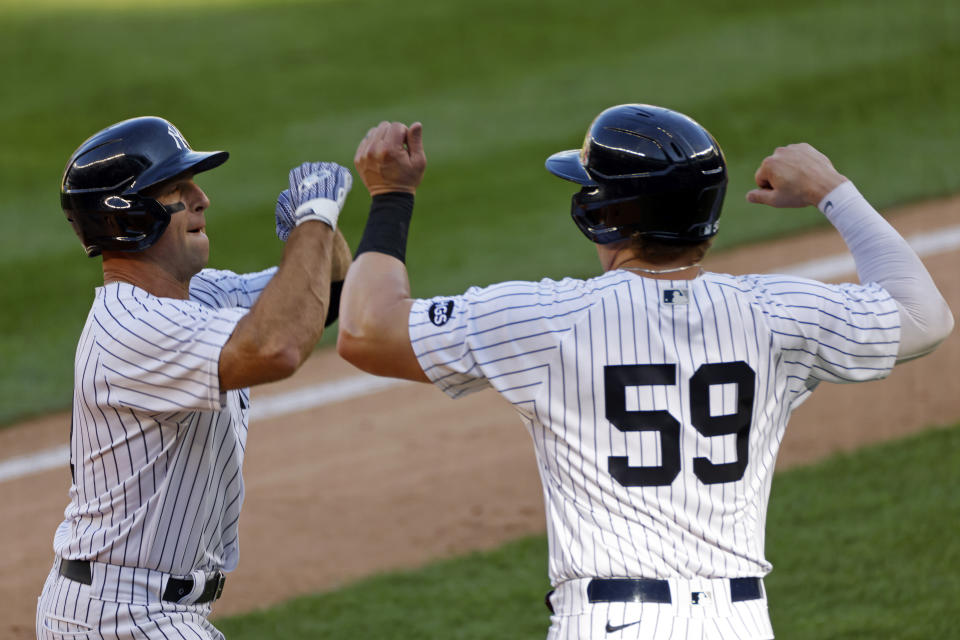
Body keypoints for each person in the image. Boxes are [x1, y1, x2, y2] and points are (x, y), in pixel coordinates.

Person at [337, 105, 954, 639]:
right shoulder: (779, 312)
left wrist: (392, 196)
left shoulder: (549, 318)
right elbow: (924, 314)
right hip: (742, 622)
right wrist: (832, 189)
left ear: (601, 211)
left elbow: (367, 330)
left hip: (611, 623)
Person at [36, 115, 352, 640]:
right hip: (120, 618)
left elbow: (329, 297)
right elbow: (280, 346)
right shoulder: (132, 326)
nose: (202, 198)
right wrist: (313, 220)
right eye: (178, 189)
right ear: (132, 216)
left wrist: (319, 234)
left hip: (142, 610)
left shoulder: (198, 294)